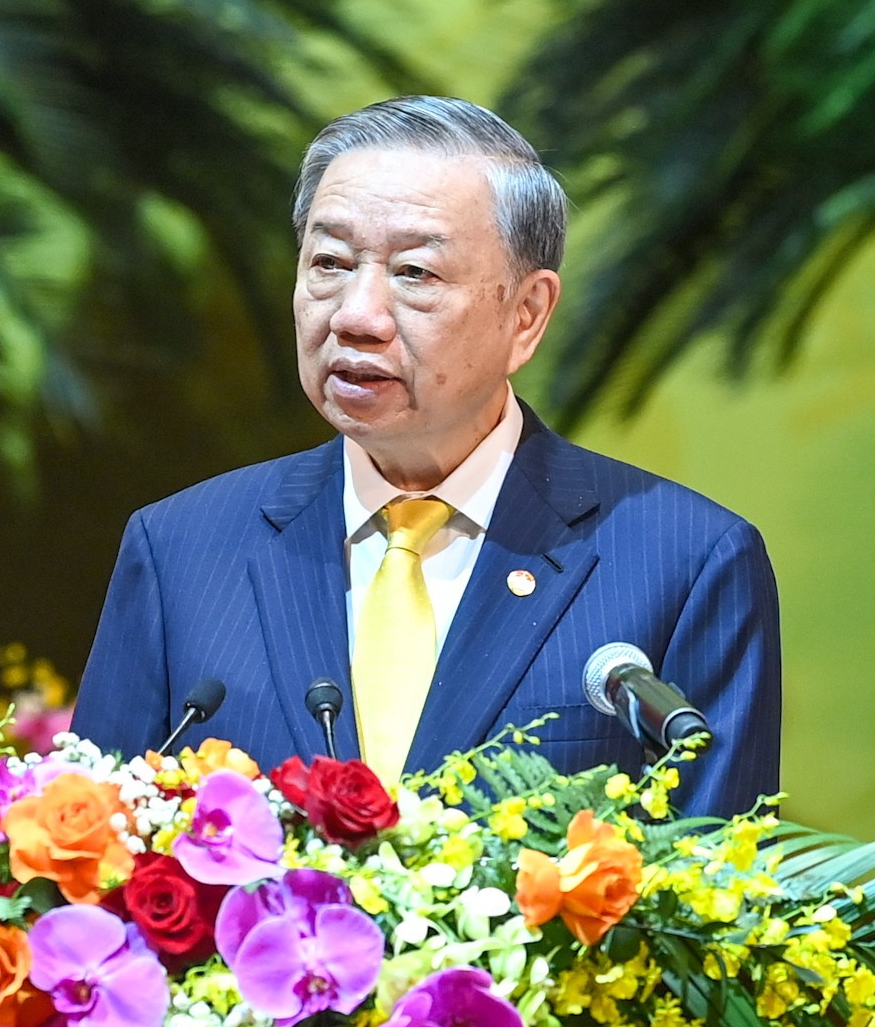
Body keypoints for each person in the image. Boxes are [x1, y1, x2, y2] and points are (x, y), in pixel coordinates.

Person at [72, 97, 780, 817]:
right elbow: (88, 870)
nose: (355, 315)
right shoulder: (181, 551)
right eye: (329, 262)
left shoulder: (685, 564)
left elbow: (718, 886)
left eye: (415, 273)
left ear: (526, 313)